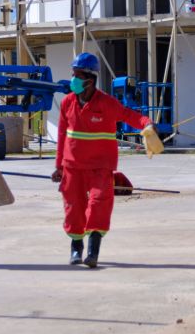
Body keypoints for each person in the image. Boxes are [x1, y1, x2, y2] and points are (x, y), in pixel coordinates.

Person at [51, 52, 156, 268]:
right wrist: (58, 167)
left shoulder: (107, 103)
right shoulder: (67, 103)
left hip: (101, 167)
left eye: (77, 75)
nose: (73, 80)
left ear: (90, 79)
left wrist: (147, 123)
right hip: (73, 167)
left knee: (99, 205)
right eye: (73, 74)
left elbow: (130, 116)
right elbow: (62, 136)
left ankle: (93, 251)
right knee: (73, 207)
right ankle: (76, 248)